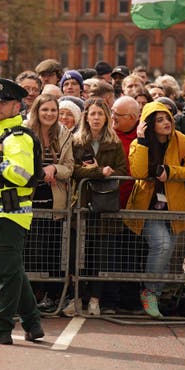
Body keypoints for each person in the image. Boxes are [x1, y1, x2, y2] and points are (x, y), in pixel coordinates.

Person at [0, 78, 44, 345]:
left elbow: (23, 175)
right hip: (2, 208)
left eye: (3, 102)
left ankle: (1, 328)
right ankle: (33, 323)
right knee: (14, 270)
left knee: (6, 273)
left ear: (17, 105)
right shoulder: (3, 133)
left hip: (11, 211)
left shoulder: (16, 137)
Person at [124, 102, 185, 318]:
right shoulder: (139, 143)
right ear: (149, 124)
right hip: (146, 208)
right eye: (159, 120)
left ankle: (154, 295)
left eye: (167, 118)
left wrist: (171, 172)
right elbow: (138, 172)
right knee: (162, 244)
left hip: (174, 207)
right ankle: (150, 292)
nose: (166, 122)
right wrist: (140, 141)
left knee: (167, 252)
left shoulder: (181, 140)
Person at [70, 97, 127, 316]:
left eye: (100, 114)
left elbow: (122, 170)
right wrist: (97, 172)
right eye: (92, 114)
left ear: (106, 118)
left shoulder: (114, 142)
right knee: (78, 251)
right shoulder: (76, 141)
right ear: (86, 116)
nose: (96, 118)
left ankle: (95, 298)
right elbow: (73, 169)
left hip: (104, 203)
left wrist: (109, 171)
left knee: (100, 253)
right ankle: (77, 296)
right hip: (81, 201)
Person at [24, 93, 74, 312]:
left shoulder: (64, 134)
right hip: (27, 199)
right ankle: (31, 295)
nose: (50, 114)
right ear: (37, 110)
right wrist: (38, 172)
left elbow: (70, 167)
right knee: (30, 250)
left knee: (51, 250)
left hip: (53, 201)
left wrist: (54, 168)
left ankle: (52, 296)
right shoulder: (24, 130)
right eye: (45, 109)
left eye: (53, 110)